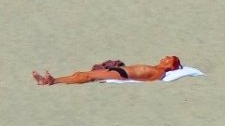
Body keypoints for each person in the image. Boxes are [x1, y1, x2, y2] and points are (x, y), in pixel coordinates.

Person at [32, 56, 182, 86]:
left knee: (87, 76)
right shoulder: (156, 68)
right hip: (120, 70)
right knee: (81, 74)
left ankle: (53, 81)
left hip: (122, 75)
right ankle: (52, 80)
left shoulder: (160, 73)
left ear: (171, 66)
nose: (166, 57)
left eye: (170, 58)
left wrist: (126, 80)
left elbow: (149, 80)